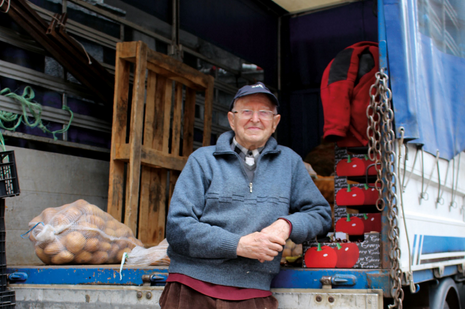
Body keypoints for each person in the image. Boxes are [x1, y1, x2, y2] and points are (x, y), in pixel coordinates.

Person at [160, 82, 332, 309]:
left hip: (253, 292)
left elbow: (320, 214)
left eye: (264, 112)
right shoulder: (203, 160)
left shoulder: (290, 162)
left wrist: (286, 224)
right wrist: (238, 245)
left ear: (275, 123)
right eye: (247, 111)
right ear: (232, 120)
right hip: (191, 288)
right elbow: (178, 228)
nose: (255, 118)